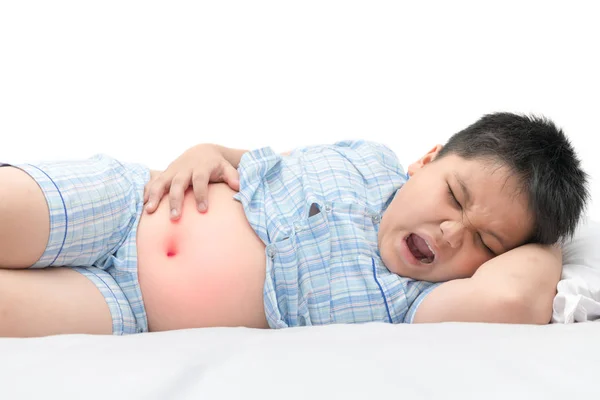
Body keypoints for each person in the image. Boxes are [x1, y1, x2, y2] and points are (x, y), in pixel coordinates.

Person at [0, 112, 589, 337]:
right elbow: (262, 165)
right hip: (127, 203)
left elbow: (516, 295)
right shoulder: (368, 158)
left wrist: (546, 241)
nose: (451, 232)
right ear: (427, 159)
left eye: (486, 242)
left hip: (128, 306)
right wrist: (208, 149)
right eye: (453, 195)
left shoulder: (413, 304)